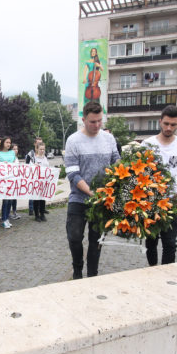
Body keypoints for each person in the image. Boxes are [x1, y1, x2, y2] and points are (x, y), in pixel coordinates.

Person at [64, 102, 120, 279]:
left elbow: (117, 162)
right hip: (79, 198)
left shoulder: (109, 139)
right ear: (83, 120)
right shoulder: (73, 140)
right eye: (92, 122)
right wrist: (91, 192)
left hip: (103, 201)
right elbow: (73, 174)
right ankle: (77, 269)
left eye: (100, 121)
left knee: (96, 241)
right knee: (74, 237)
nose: (97, 125)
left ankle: (92, 274)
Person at [141, 105, 177, 266]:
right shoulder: (147, 144)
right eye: (166, 123)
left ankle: (167, 273)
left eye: (173, 125)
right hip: (151, 201)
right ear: (160, 121)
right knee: (151, 241)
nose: (169, 128)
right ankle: (153, 269)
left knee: (170, 243)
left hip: (173, 202)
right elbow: (140, 171)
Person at [0, 136, 17, 229]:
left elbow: (15, 164)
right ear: (3, 143)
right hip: (2, 180)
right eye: (7, 142)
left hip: (11, 179)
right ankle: (4, 219)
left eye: (10, 143)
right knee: (5, 200)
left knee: (10, 200)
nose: (8, 144)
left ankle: (7, 218)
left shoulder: (12, 153)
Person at [30, 143, 49, 222]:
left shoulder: (45, 158)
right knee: (36, 199)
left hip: (43, 182)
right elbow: (29, 168)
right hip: (36, 182)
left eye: (43, 149)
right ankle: (36, 215)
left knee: (42, 199)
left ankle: (42, 214)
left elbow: (48, 168)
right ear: (37, 149)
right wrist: (34, 166)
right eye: (40, 149)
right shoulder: (34, 159)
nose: (42, 151)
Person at [26, 137, 44, 216]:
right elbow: (27, 164)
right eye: (38, 143)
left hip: (41, 177)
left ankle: (41, 209)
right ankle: (31, 209)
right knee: (32, 193)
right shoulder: (31, 153)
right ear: (34, 144)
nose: (39, 144)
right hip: (33, 176)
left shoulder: (42, 153)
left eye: (41, 142)